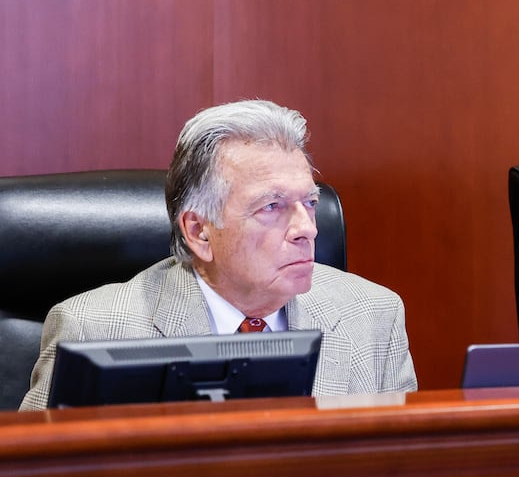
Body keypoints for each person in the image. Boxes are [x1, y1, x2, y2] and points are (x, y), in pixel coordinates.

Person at [20, 99, 416, 409]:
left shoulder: (373, 316)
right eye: (272, 207)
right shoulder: (94, 329)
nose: (307, 229)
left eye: (309, 203)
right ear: (199, 232)